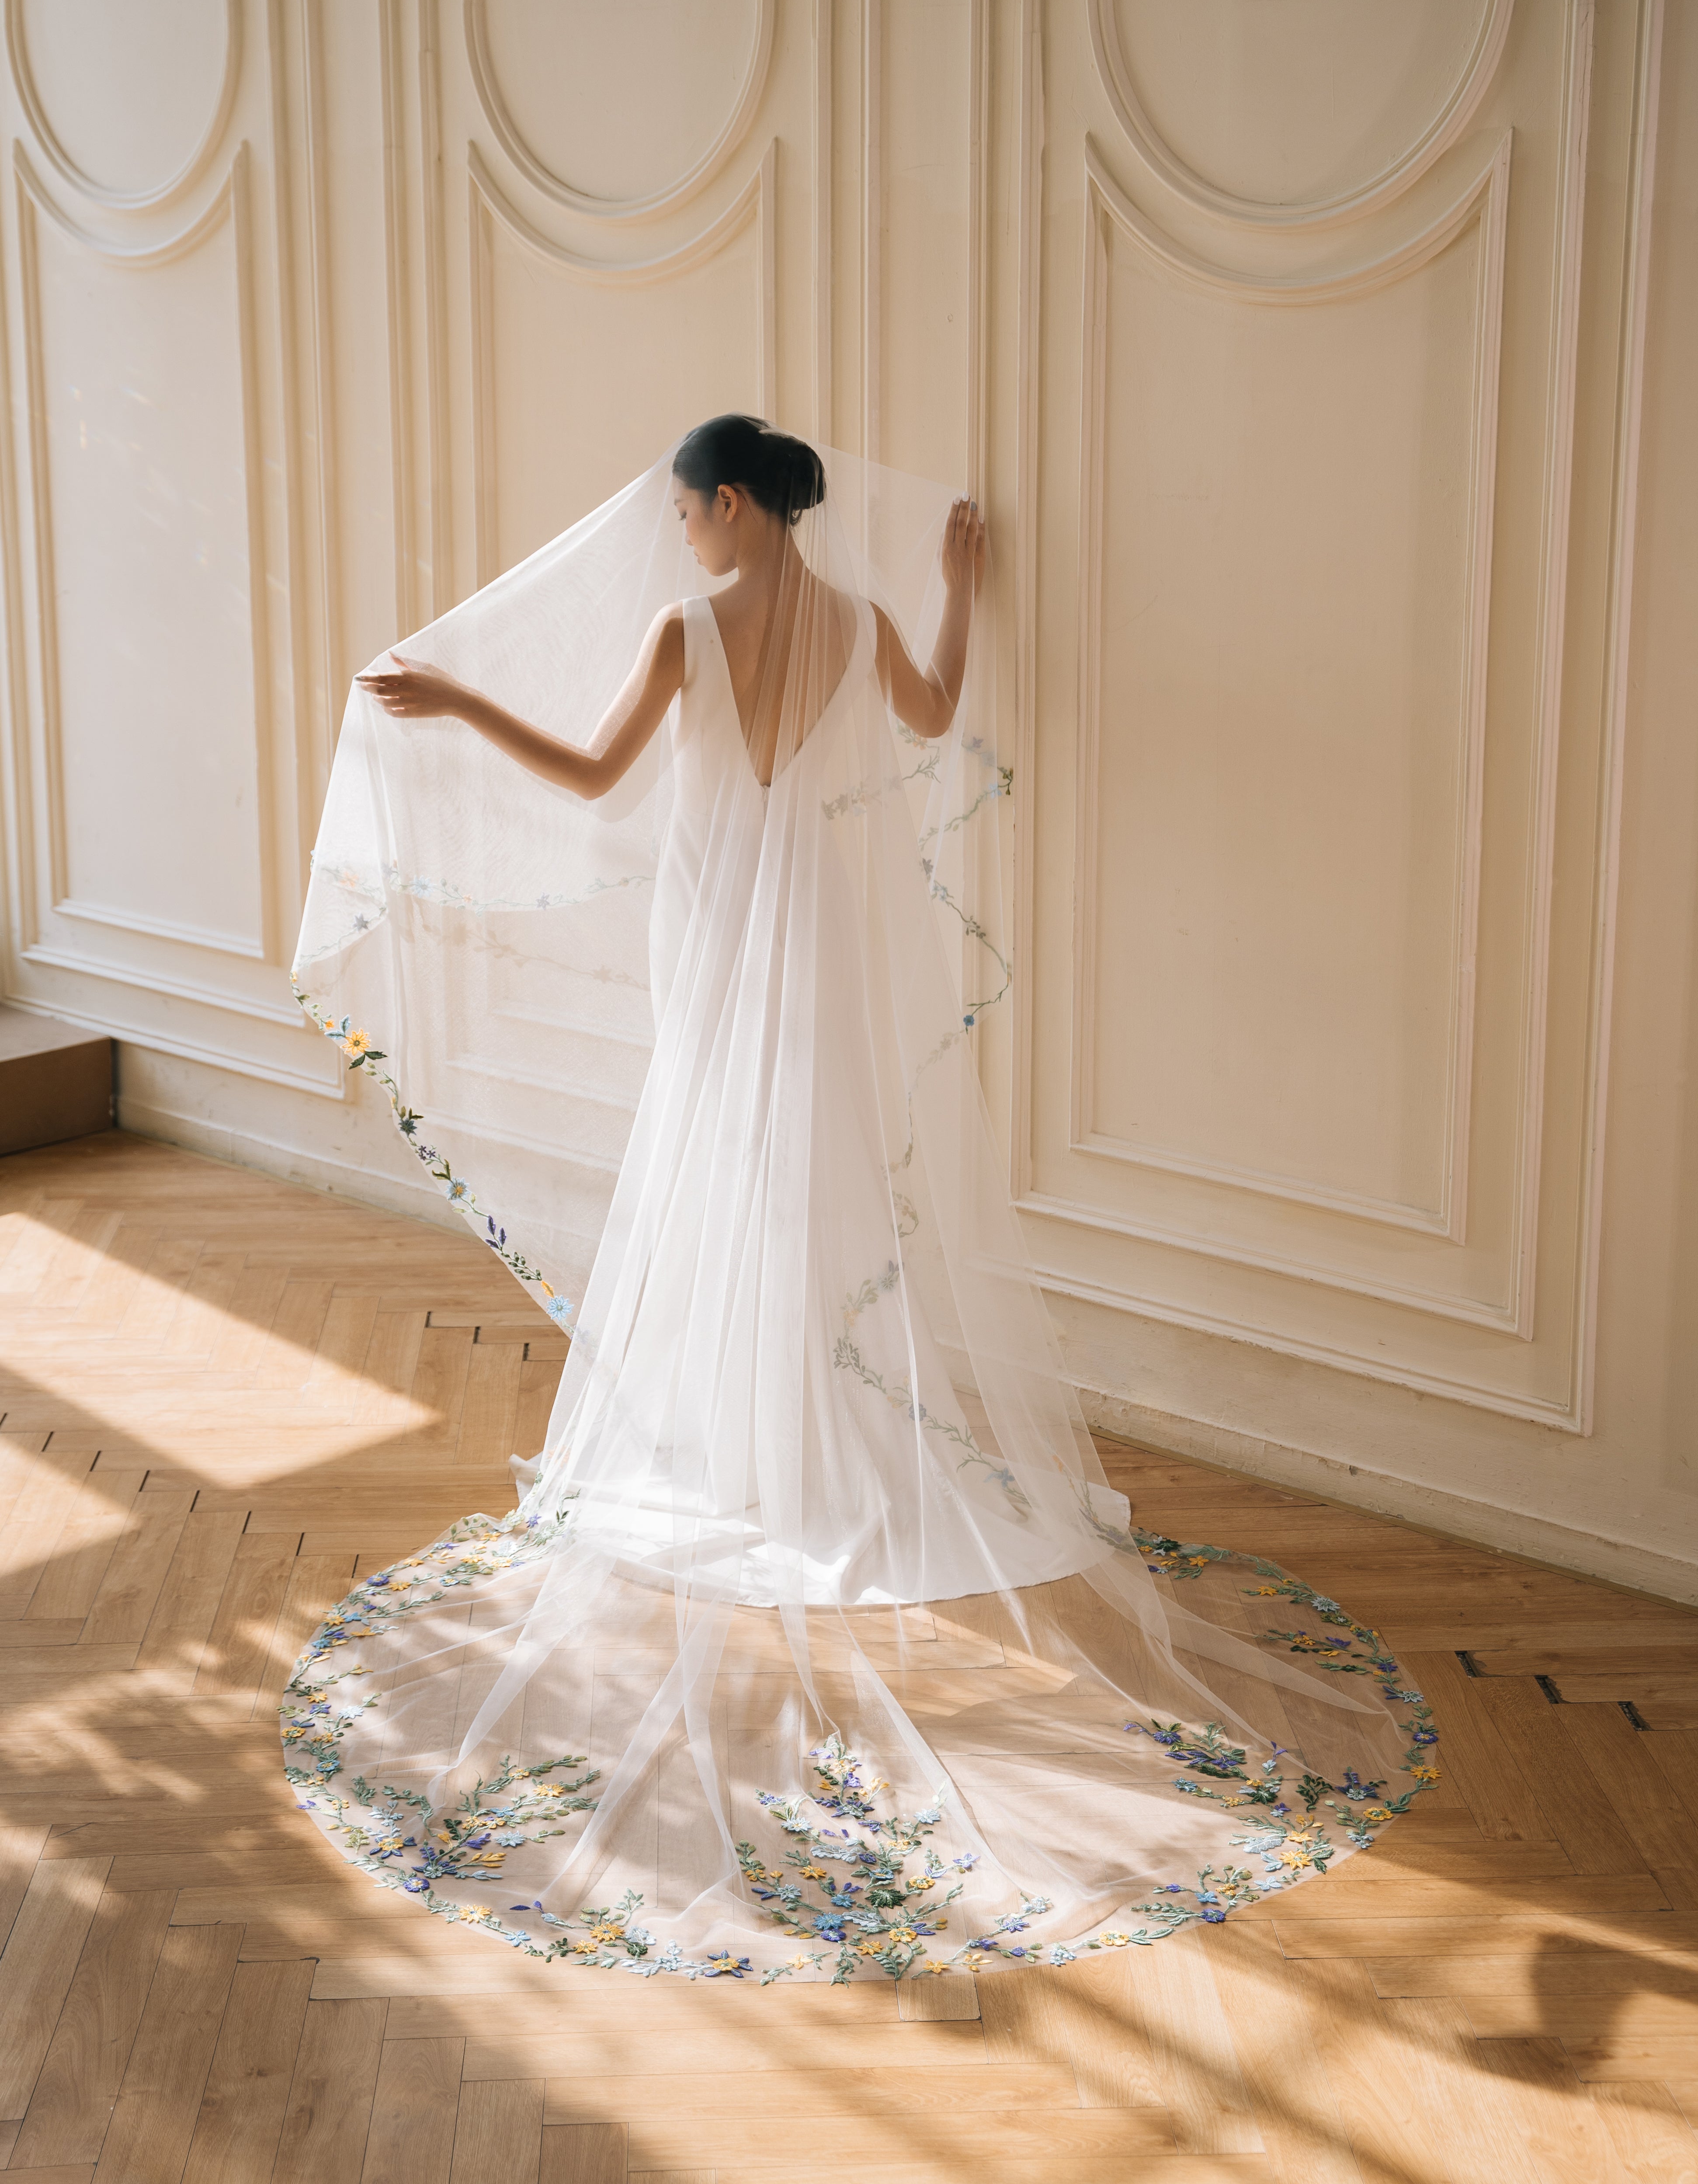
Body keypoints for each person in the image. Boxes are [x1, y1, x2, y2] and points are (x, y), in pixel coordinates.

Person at [283, 415, 1435, 1984]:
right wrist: (959, 587)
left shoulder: (688, 629)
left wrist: (460, 701)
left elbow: (596, 779)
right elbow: (940, 711)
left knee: (725, 1168)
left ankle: (747, 1441)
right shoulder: (861, 621)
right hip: (816, 942)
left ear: (731, 505)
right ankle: (802, 1433)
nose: (679, 531)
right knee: (814, 1175)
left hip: (715, 939)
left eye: (686, 510)